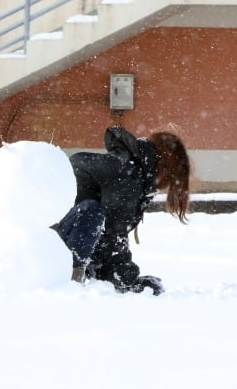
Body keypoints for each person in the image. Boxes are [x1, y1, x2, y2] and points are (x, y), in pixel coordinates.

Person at [55, 125, 190, 295]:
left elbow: (106, 236)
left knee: (93, 215)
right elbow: (113, 235)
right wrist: (128, 281)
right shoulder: (127, 175)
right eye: (170, 176)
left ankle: (73, 274)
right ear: (164, 166)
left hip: (49, 240)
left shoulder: (125, 166)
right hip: (53, 247)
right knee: (92, 212)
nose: (164, 186)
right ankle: (71, 280)